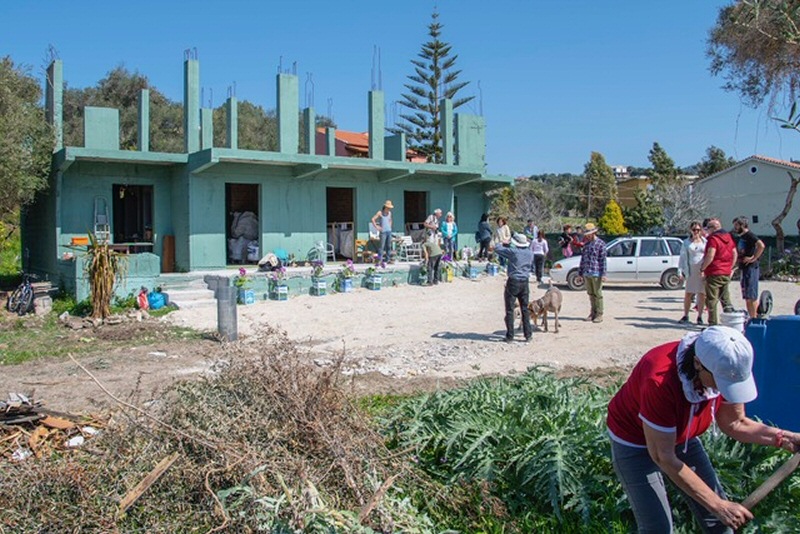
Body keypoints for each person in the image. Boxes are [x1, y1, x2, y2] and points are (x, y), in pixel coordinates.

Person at [607, 326, 800, 532]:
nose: (723, 389)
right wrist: (718, 505)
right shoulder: (659, 380)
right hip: (634, 442)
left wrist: (784, 438)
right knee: (658, 528)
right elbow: (663, 456)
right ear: (698, 364)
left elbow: (735, 423)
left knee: (721, 523)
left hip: (682, 437)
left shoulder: (725, 364)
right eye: (722, 382)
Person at [495, 233, 535, 343]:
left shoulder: (513, 252)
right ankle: (528, 334)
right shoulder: (530, 253)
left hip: (513, 281)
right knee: (525, 309)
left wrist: (504, 242)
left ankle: (510, 336)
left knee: (510, 309)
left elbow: (497, 248)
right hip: (525, 281)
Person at [700, 218, 737, 326]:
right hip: (725, 271)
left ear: (713, 228)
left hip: (714, 271)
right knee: (725, 298)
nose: (707, 231)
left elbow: (711, 254)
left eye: (708, 228)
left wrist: (703, 268)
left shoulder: (713, 238)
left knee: (711, 299)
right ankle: (730, 321)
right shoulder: (728, 237)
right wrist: (730, 267)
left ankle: (713, 324)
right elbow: (734, 253)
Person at [732, 216, 765, 319]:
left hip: (751, 267)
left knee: (751, 295)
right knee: (747, 296)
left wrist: (754, 258)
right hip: (743, 267)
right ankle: (751, 316)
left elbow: (761, 245)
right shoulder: (742, 237)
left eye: (737, 225)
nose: (735, 227)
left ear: (743, 225)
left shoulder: (749, 235)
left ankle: (754, 318)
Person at [678, 221, 707, 325]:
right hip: (690, 270)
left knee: (702, 294)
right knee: (688, 293)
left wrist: (705, 270)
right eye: (694, 230)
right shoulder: (686, 242)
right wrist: (680, 271)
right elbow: (682, 257)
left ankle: (699, 316)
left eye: (698, 230)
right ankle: (686, 315)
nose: (696, 232)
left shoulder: (705, 242)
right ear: (690, 230)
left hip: (702, 270)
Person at [578, 223, 606, 323]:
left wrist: (603, 274)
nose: (587, 236)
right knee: (590, 294)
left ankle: (599, 313)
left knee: (598, 294)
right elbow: (583, 260)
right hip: (587, 272)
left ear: (594, 233)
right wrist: (580, 273)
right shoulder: (586, 245)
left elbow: (603, 260)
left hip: (596, 272)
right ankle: (592, 312)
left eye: (589, 234)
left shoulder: (600, 244)